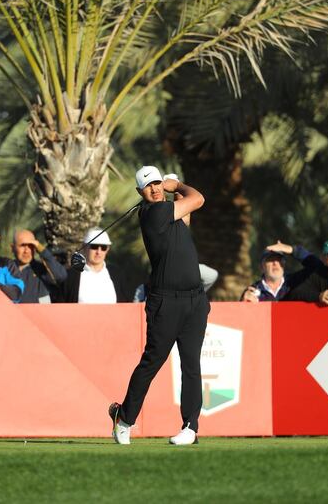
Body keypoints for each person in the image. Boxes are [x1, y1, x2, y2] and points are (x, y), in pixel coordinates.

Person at [110, 166, 209, 446]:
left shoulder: (172, 213)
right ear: (140, 193)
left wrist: (174, 189)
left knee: (191, 364)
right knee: (152, 362)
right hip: (165, 302)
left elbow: (187, 213)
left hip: (195, 300)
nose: (154, 189)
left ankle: (190, 427)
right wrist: (176, 183)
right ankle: (124, 418)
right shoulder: (153, 213)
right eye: (148, 186)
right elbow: (198, 198)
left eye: (156, 183)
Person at [59, 228, 131, 303]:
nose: (98, 252)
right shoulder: (70, 276)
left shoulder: (117, 275)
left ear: (107, 249)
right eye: (94, 246)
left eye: (103, 247)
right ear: (84, 247)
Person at [10, 229, 67, 304]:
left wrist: (41, 250)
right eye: (23, 245)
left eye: (31, 246)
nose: (26, 251)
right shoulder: (5, 270)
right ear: (12, 248)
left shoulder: (42, 270)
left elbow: (61, 276)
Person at [133, 264, 219, 302]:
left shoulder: (189, 292)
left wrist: (185, 265)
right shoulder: (144, 289)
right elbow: (136, 313)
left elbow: (212, 275)